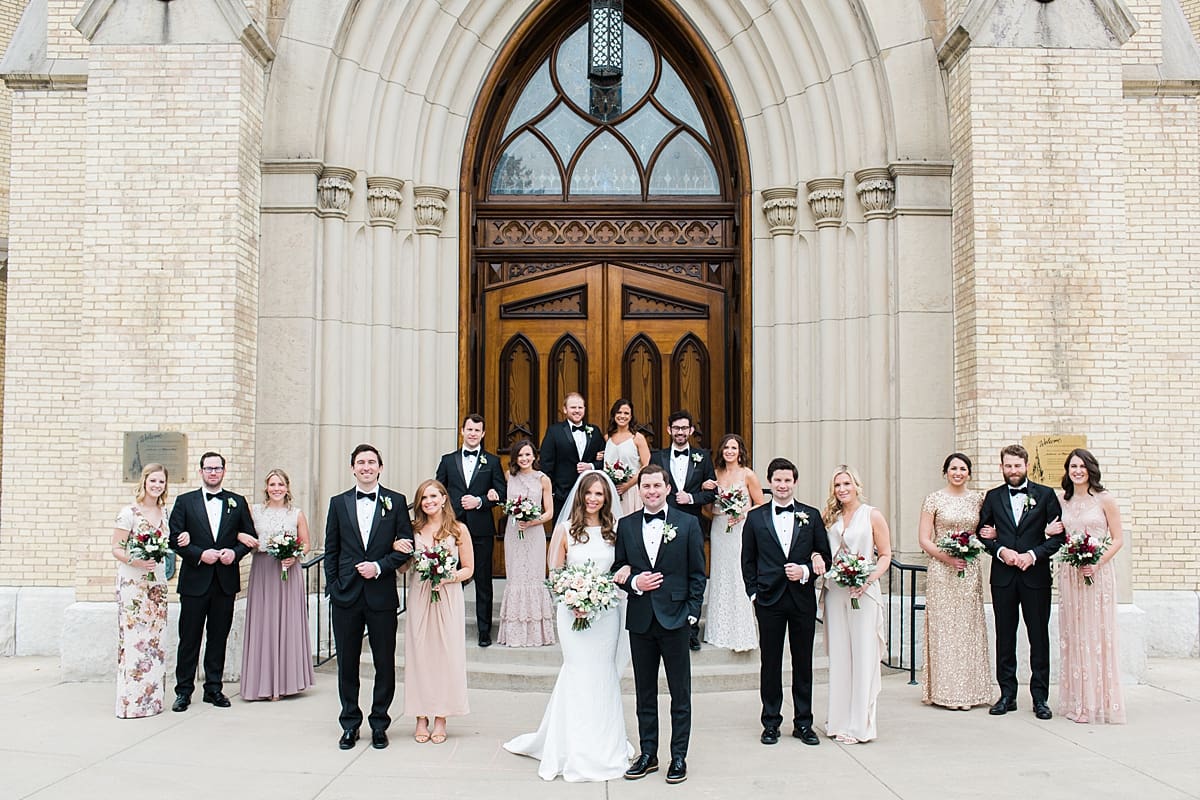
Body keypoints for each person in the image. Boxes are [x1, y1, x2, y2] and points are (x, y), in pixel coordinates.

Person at [504, 470, 634, 781]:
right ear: (580, 495)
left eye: (599, 494)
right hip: (571, 612)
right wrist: (572, 599)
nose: (593, 499)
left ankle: (605, 744)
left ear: (606, 498)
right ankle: (570, 746)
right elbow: (555, 573)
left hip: (606, 615)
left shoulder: (616, 529)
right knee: (577, 672)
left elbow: (625, 563)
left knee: (603, 674)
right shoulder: (565, 530)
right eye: (588, 493)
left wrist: (624, 569)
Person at [613, 464, 706, 784]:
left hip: (676, 619)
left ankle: (678, 756)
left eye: (656, 486)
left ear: (667, 488)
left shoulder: (689, 523)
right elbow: (619, 569)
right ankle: (648, 754)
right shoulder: (625, 526)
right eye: (646, 487)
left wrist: (692, 613)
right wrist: (635, 581)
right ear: (639, 491)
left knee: (680, 693)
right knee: (644, 692)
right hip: (640, 619)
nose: (651, 491)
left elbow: (697, 573)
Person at [324, 444, 413, 750]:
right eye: (360, 462)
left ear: (380, 467)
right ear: (352, 468)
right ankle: (350, 723)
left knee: (384, 662)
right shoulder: (338, 503)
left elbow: (406, 546)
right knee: (347, 663)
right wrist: (334, 586)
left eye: (371, 462)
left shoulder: (396, 502)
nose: (366, 467)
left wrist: (378, 566)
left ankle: (379, 723)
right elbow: (331, 549)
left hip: (381, 594)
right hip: (346, 596)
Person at [741, 457, 830, 746]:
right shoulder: (755, 518)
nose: (782, 485)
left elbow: (824, 556)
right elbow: (748, 560)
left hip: (802, 599)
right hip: (768, 600)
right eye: (777, 480)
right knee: (770, 663)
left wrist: (805, 570)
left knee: (803, 663)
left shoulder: (811, 515)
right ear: (769, 482)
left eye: (787, 480)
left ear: (795, 482)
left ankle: (804, 723)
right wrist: (754, 593)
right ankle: (770, 722)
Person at [976, 444, 1064, 721]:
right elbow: (982, 533)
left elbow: (1058, 535)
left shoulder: (1046, 495)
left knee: (1038, 637)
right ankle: (1007, 695)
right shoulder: (992, 497)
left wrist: (1032, 554)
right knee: (1005, 636)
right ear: (1001, 467)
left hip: (1035, 577)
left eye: (1017, 466)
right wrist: (1001, 550)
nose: (1012, 471)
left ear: (1026, 466)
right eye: (1008, 466)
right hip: (1003, 578)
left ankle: (1040, 699)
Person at [168, 451, 257, 712]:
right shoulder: (185, 502)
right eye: (208, 468)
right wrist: (198, 554)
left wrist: (235, 553)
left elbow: (249, 537)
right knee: (189, 639)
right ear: (201, 471)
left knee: (219, 637)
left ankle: (213, 688)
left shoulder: (236, 502)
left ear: (224, 471)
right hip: (195, 581)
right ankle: (183, 691)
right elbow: (174, 538)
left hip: (225, 582)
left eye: (217, 468)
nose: (213, 472)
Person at [398, 479, 474, 744]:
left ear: (444, 498)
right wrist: (398, 551)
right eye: (423, 498)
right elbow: (403, 568)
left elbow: (469, 569)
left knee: (446, 655)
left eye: (433, 496)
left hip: (448, 596)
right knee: (420, 655)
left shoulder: (458, 530)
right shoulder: (413, 530)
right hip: (420, 596)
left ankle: (441, 717)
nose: (428, 502)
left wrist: (448, 576)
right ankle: (421, 716)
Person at [916, 453, 993, 710]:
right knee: (944, 628)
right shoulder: (934, 499)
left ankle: (971, 690)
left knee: (967, 628)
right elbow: (925, 538)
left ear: (969, 473)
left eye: (962, 469)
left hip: (969, 570)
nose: (958, 473)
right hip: (942, 569)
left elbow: (986, 530)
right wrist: (947, 557)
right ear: (945, 471)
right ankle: (944, 691)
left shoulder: (978, 499)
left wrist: (989, 535)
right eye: (953, 468)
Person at [822, 465, 890, 744]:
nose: (842, 489)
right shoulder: (830, 517)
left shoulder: (872, 515)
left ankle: (860, 725)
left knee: (863, 656)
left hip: (863, 590)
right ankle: (838, 720)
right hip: (836, 591)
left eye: (846, 484)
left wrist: (867, 579)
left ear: (856, 485)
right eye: (837, 485)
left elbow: (885, 554)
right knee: (840, 657)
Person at [1057, 448, 1125, 724]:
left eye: (1082, 466)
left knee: (1095, 635)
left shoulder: (1105, 499)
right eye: (1073, 466)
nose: (1077, 471)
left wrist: (1097, 562)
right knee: (1074, 634)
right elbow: (1049, 529)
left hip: (1097, 572)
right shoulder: (1062, 499)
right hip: (1070, 574)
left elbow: (1118, 539)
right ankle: (1078, 701)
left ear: (1091, 469)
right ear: (1067, 470)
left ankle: (1098, 703)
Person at [239, 468, 315, 701]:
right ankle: (262, 683)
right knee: (264, 623)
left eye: (280, 484)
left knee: (286, 622)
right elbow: (243, 535)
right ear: (266, 487)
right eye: (272, 484)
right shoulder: (255, 511)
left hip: (288, 571)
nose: (276, 489)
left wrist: (294, 555)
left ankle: (286, 683)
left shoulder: (296, 514)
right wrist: (244, 539)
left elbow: (306, 544)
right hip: (263, 571)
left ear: (287, 487)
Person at [435, 413, 506, 647]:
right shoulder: (447, 460)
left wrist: (481, 501)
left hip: (481, 530)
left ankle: (484, 632)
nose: (473, 433)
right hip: (451, 530)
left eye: (478, 430)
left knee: (483, 582)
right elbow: (438, 492)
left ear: (483, 434)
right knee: (448, 578)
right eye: (470, 429)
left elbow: (501, 494)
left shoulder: (493, 462)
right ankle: (445, 628)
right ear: (462, 431)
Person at [650, 409, 716, 650]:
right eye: (676, 428)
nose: (680, 432)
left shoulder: (703, 456)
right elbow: (649, 486)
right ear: (669, 430)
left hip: (692, 524)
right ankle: (666, 623)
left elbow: (711, 492)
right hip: (661, 522)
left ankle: (691, 628)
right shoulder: (658, 457)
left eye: (684, 428)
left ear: (691, 431)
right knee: (666, 572)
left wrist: (693, 498)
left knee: (694, 574)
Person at [112, 463, 172, 718]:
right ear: (144, 482)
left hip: (157, 583)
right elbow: (116, 548)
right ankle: (132, 703)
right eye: (153, 481)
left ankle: (153, 700)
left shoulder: (164, 512)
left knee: (155, 642)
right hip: (134, 585)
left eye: (161, 482)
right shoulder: (129, 513)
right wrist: (135, 561)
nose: (157, 486)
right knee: (135, 640)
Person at [703, 433, 765, 652]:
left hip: (740, 529)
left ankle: (741, 632)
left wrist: (741, 513)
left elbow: (761, 504)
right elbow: (707, 509)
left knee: (738, 574)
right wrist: (715, 509)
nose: (729, 451)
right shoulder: (715, 474)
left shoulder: (748, 475)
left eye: (733, 448)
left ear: (740, 451)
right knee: (720, 574)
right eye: (726, 448)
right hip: (720, 528)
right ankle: (718, 630)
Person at [496, 439, 556, 647]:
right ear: (515, 457)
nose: (524, 459)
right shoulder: (508, 476)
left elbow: (549, 512)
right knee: (516, 576)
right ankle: (514, 633)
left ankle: (536, 633)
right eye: (520, 455)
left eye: (528, 455)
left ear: (534, 456)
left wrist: (532, 521)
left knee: (534, 576)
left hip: (534, 532)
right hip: (514, 532)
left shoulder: (543, 479)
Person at [540, 392, 606, 522]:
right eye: (573, 407)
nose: (577, 411)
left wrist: (591, 466)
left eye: (580, 407)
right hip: (562, 494)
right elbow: (546, 462)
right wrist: (551, 492)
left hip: (589, 494)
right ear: (565, 409)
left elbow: (606, 460)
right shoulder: (554, 431)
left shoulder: (595, 431)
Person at [604, 398, 651, 515]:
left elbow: (645, 465)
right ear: (614, 414)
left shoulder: (637, 438)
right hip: (611, 490)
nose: (622, 416)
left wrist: (627, 485)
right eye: (619, 412)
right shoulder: (607, 438)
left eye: (626, 413)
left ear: (631, 417)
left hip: (631, 489)